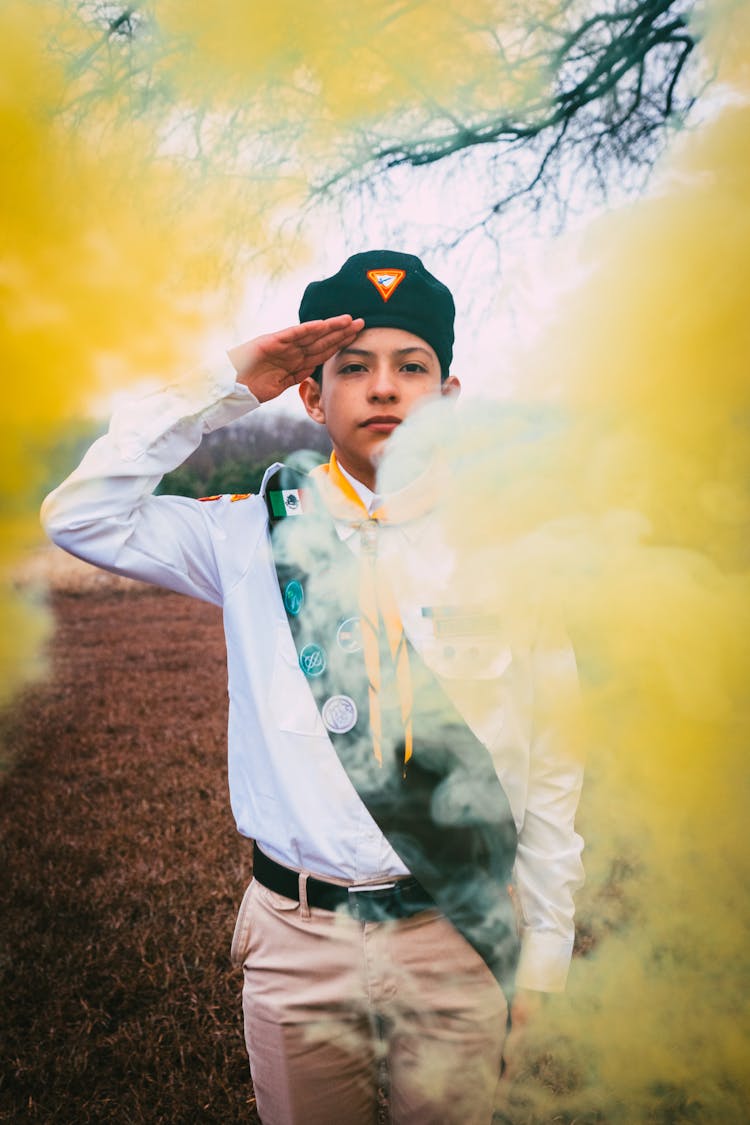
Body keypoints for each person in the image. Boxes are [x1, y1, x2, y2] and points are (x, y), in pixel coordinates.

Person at [41, 250, 584, 1124]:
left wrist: (547, 949)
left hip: (458, 933)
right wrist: (228, 385)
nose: (383, 390)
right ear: (308, 393)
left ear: (447, 395)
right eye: (353, 368)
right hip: (297, 941)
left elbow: (554, 757)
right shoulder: (249, 534)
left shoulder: (507, 549)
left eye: (412, 367)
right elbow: (79, 516)